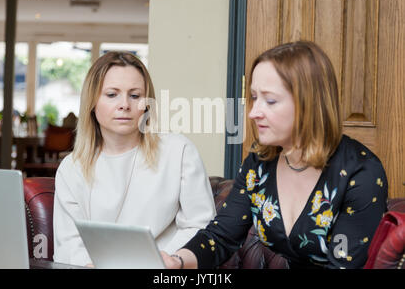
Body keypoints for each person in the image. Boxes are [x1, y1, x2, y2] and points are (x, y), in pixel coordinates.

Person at [162, 41, 388, 269]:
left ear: (307, 103)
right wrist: (177, 261)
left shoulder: (361, 172)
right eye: (254, 98)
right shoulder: (259, 164)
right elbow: (221, 236)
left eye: (270, 101)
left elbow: (342, 266)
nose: (253, 113)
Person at [53, 51, 216, 266]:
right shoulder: (71, 168)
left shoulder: (179, 151)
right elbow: (69, 247)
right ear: (92, 102)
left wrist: (160, 261)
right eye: (112, 94)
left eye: (135, 95)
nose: (124, 105)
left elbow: (200, 226)